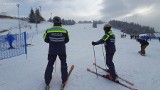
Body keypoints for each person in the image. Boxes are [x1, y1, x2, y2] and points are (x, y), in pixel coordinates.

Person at [43, 16, 69, 89]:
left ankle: (47, 81)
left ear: (53, 22)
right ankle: (64, 79)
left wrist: (52, 41)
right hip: (62, 50)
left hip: (52, 50)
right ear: (60, 22)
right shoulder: (64, 30)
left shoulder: (48, 30)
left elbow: (45, 39)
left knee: (50, 64)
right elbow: (67, 40)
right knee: (63, 64)